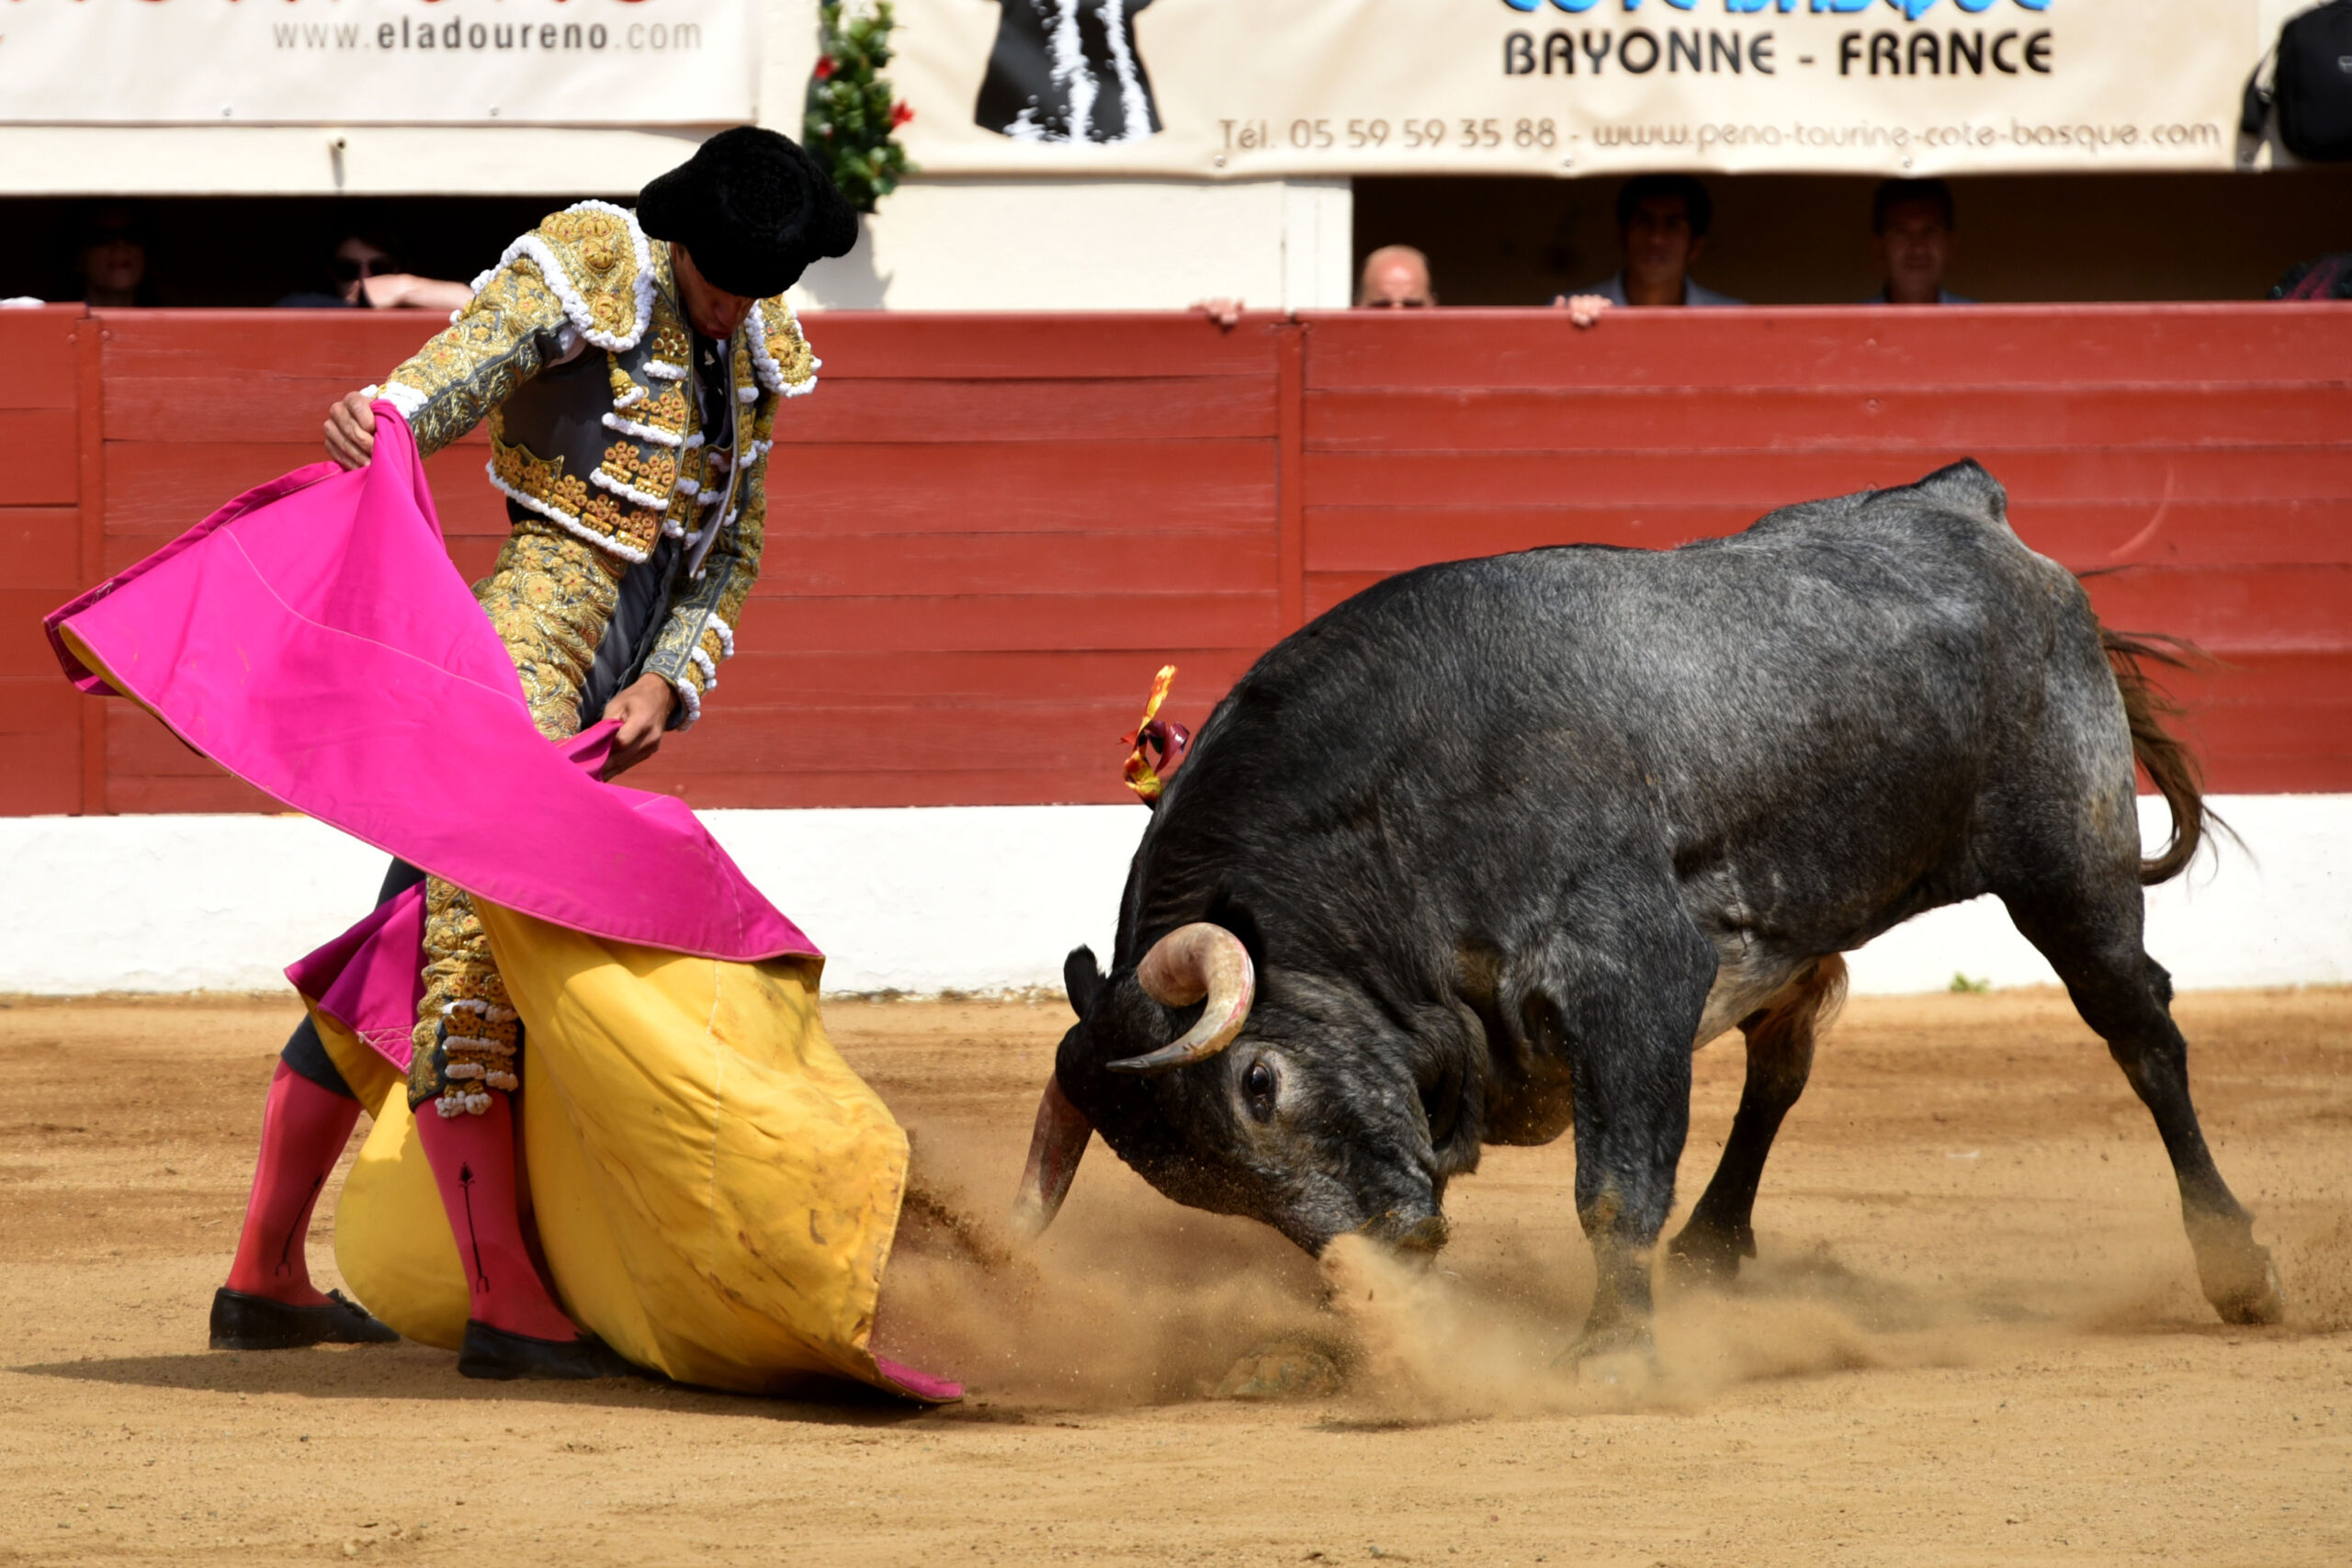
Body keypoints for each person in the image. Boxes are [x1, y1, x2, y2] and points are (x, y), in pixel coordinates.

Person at [209, 127, 860, 1380]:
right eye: (723, 282)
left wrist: (673, 675)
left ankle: (263, 1274)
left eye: (755, 289)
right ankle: (507, 1296)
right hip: (522, 642)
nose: (733, 310)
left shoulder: (763, 349)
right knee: (469, 939)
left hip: (611, 690)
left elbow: (729, 551)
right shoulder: (596, 259)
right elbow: (464, 364)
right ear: (688, 245)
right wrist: (385, 413)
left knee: (402, 933)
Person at [1554, 175, 1742, 321]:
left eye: (1673, 225)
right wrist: (1569, 330)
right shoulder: (1573, 310)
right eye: (1644, 222)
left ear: (1695, 246)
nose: (1656, 239)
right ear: (1622, 238)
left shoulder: (1733, 317)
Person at [1190, 243, 1439, 329]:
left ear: (1434, 307)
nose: (1397, 316)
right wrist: (1212, 337)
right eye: (1381, 305)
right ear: (1357, 307)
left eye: (1412, 305)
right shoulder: (1330, 352)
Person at [275, 230, 474, 311]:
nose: (364, 278)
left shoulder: (408, 290)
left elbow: (490, 302)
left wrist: (406, 288)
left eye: (380, 268)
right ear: (331, 272)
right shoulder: (302, 305)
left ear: (400, 268)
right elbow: (289, 307)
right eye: (348, 269)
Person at [1869, 178, 1973, 305]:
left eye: (1931, 230)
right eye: (1901, 232)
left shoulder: (1980, 322)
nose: (1918, 248)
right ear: (1878, 247)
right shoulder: (1853, 323)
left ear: (1950, 244)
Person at [77, 205, 155, 307]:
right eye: (104, 237)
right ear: (80, 256)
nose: (120, 245)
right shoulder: (59, 320)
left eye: (132, 235)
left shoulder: (169, 319)